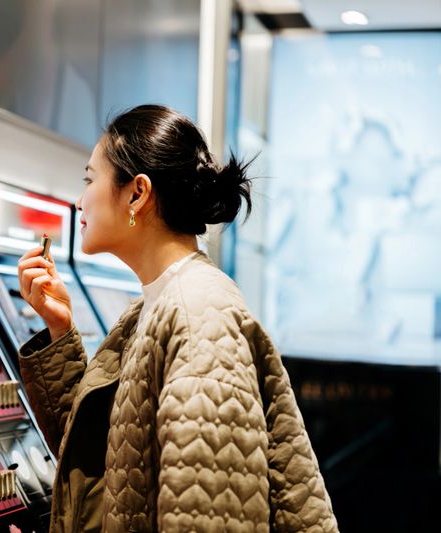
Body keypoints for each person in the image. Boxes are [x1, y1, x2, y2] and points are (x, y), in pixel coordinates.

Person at [17, 105, 337, 532]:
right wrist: (60, 328)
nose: (79, 200)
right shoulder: (158, 304)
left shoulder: (198, 316)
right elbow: (103, 465)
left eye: (90, 180)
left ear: (137, 193)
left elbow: (209, 516)